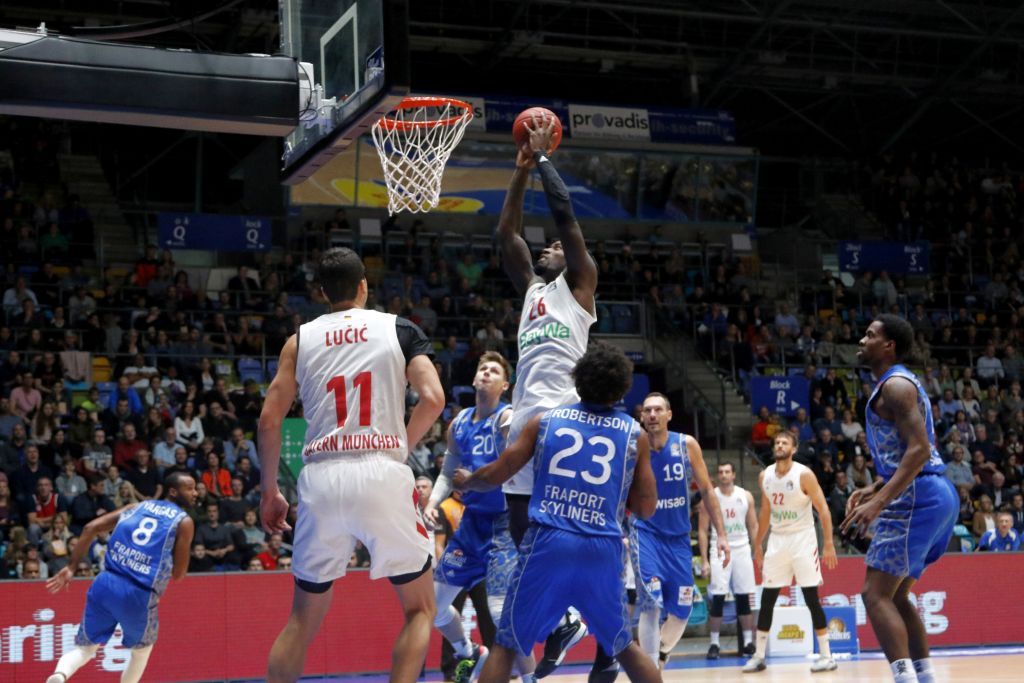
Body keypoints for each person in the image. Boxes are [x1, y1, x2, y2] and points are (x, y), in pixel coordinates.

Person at [258, 247, 445, 683]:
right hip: (381, 470)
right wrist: (401, 446)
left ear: (321, 292)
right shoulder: (399, 328)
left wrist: (270, 491)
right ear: (364, 285)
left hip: (321, 477)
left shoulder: (299, 340)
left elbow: (269, 420)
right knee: (420, 608)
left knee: (302, 620)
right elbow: (433, 398)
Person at [455, 342, 660, 683]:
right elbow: (646, 508)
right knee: (624, 646)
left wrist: (469, 481)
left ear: (577, 380)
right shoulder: (633, 434)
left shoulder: (545, 421)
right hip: (601, 548)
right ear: (622, 388)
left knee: (506, 644)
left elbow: (498, 473)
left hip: (548, 543)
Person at [495, 111, 599, 678]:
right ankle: (564, 620)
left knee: (566, 528)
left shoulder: (580, 285)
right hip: (523, 416)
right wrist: (518, 170)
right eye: (550, 247)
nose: (550, 247)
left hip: (564, 416)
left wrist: (542, 159)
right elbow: (506, 236)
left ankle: (602, 628)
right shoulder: (533, 290)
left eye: (558, 247)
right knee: (521, 528)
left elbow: (565, 214)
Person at [842, 316, 961, 683]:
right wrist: (876, 486)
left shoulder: (895, 385)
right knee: (895, 596)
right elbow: (909, 450)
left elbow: (920, 450)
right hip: (935, 493)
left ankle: (904, 679)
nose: (862, 340)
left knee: (873, 595)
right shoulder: (898, 383)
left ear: (889, 345)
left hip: (917, 497)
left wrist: (879, 502)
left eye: (870, 335)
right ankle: (925, 677)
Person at [43, 472, 197, 683]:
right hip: (138, 593)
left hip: (105, 582)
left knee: (85, 648)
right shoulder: (183, 521)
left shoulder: (137, 506)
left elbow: (90, 528)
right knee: (141, 652)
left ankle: (60, 674)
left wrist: (71, 567)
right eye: (190, 488)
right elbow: (178, 575)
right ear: (173, 491)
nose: (195, 493)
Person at [422, 352, 518, 683]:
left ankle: (528, 675)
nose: (487, 373)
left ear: (505, 385)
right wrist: (433, 502)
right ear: (475, 379)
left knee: (500, 614)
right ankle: (468, 650)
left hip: (504, 525)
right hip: (471, 524)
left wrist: (474, 479)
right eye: (483, 369)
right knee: (434, 607)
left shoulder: (507, 419)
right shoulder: (459, 423)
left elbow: (513, 468)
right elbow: (448, 470)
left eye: (494, 371)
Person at [632, 392, 728, 668]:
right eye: (647, 410)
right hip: (645, 534)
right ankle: (650, 670)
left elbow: (707, 490)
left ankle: (659, 653)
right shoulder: (632, 446)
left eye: (658, 410)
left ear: (669, 414)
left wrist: (721, 535)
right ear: (642, 416)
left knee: (683, 611)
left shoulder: (686, 444)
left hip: (678, 539)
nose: (652, 415)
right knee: (651, 603)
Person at [743, 431, 838, 674]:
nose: (779, 445)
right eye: (777, 442)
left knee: (811, 598)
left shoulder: (804, 475)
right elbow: (765, 512)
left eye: (784, 442)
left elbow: (823, 509)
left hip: (802, 539)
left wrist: (828, 543)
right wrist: (758, 544)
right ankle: (759, 656)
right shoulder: (765, 476)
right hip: (777, 540)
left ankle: (827, 656)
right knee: (767, 599)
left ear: (793, 449)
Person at [699, 462, 758, 660]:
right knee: (718, 597)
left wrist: (758, 550)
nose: (724, 475)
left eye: (727, 472)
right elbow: (702, 530)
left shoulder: (745, 496)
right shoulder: (710, 498)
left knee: (743, 597)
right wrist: (705, 560)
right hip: (719, 548)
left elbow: (753, 525)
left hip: (742, 548)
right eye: (721, 472)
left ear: (733, 475)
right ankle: (714, 644)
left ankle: (748, 642)